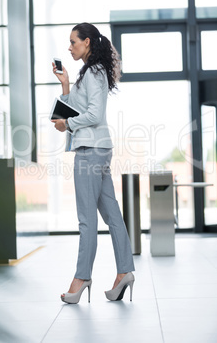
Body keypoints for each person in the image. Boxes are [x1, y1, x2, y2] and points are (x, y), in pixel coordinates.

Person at [51, 22, 135, 304]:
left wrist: (68, 125)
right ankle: (125, 271)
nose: (69, 47)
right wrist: (64, 85)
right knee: (112, 215)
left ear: (87, 42)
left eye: (73, 42)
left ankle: (82, 277)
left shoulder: (94, 72)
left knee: (87, 220)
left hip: (90, 151)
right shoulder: (88, 73)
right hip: (97, 149)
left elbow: (94, 114)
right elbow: (72, 107)